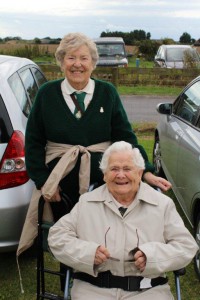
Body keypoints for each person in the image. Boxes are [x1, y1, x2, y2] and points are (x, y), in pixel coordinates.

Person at [25, 32, 171, 222]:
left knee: (100, 234)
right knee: (64, 238)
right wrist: (44, 182)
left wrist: (147, 172)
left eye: (84, 58)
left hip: (103, 185)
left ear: (93, 63)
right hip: (59, 188)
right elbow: (33, 142)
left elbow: (125, 137)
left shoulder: (107, 92)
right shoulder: (47, 94)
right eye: (71, 58)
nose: (77, 64)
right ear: (62, 62)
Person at [48, 141, 198, 300]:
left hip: (148, 291)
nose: (120, 175)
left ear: (140, 173)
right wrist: (88, 253)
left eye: (127, 169)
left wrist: (153, 256)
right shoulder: (87, 202)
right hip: (93, 290)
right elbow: (56, 238)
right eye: (113, 169)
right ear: (104, 175)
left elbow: (186, 246)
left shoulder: (162, 204)